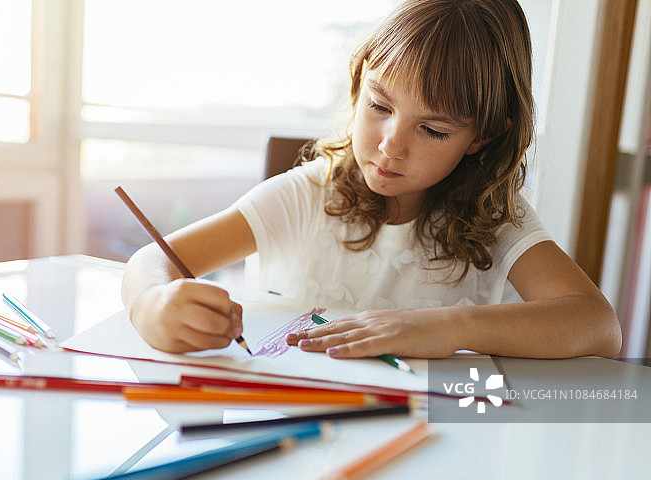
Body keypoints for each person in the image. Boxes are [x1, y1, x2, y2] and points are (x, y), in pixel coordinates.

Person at [120, 0, 621, 360]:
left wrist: (449, 326)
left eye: (433, 129)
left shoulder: (491, 218)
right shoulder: (306, 195)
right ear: (359, 82)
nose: (390, 144)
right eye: (379, 106)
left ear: (483, 136)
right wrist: (151, 304)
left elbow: (597, 325)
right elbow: (153, 260)